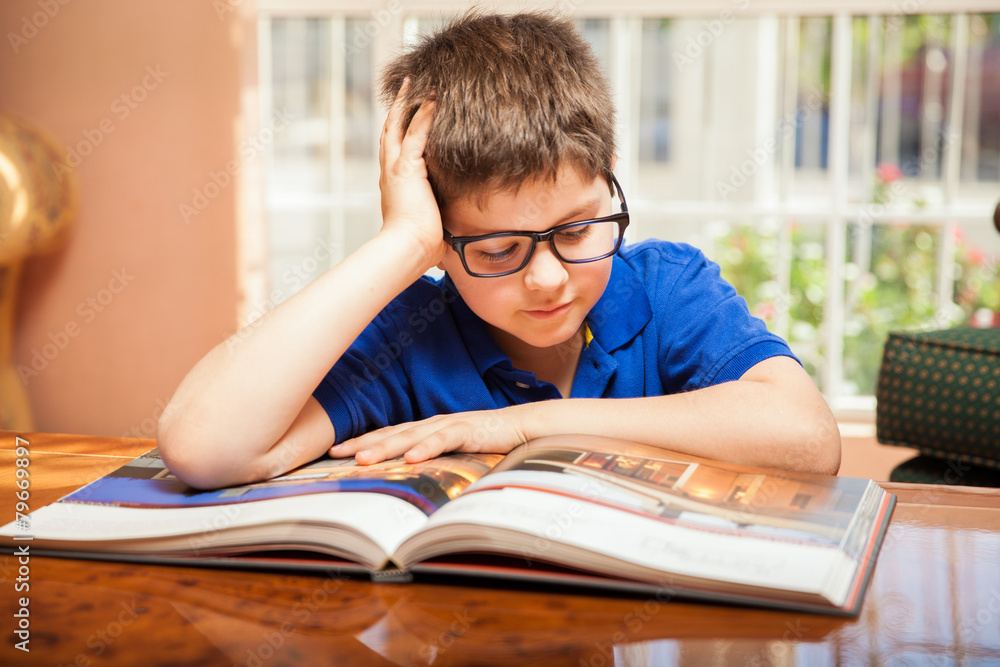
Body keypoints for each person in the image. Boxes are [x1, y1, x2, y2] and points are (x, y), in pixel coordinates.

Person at [157, 11, 840, 490]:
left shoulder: (665, 287)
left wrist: (517, 426)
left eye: (575, 231)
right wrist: (401, 242)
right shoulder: (413, 334)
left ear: (609, 184)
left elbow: (808, 440)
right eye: (498, 248)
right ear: (441, 243)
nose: (547, 279)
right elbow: (203, 446)